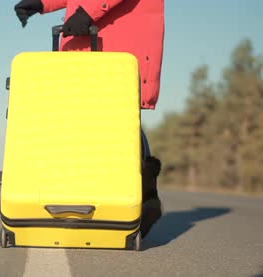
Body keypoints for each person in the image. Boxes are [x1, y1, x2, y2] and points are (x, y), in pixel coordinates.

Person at [14, 0, 164, 239]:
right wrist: (42, 3)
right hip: (94, 36)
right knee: (101, 122)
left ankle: (143, 197)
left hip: (114, 37)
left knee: (117, 121)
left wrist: (87, 13)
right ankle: (129, 199)